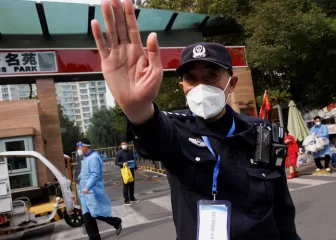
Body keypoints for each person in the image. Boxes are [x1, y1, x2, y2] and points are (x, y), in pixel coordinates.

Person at [91, 1, 300, 239]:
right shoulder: (176, 130)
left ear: (231, 84)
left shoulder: (262, 132)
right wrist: (137, 109)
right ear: (183, 87)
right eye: (192, 78)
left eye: (211, 75)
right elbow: (153, 134)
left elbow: (283, 210)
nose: (201, 86)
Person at [77, 138, 122, 240]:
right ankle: (95, 237)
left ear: (84, 147)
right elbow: (85, 172)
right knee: (87, 217)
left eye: (79, 147)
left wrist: (87, 187)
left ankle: (116, 221)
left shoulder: (93, 158)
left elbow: (95, 175)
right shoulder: (85, 157)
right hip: (84, 191)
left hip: (92, 190)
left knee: (96, 213)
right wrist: (79, 177)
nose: (78, 149)